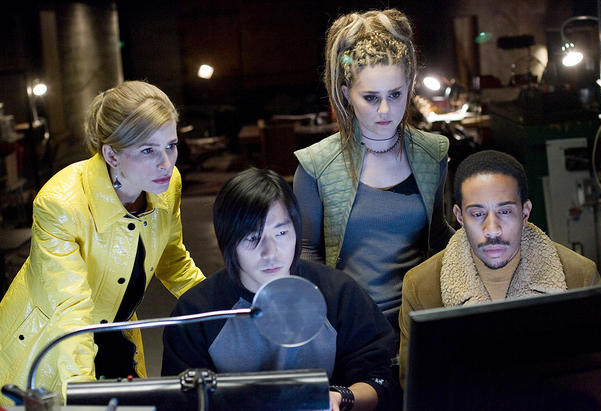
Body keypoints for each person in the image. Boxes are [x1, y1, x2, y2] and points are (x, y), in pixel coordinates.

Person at [0, 80, 205, 403]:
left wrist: (226, 310)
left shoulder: (166, 186)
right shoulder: (60, 204)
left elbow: (174, 260)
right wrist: (84, 393)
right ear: (111, 154)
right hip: (52, 346)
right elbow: (70, 309)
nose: (167, 162)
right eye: (148, 150)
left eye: (171, 145)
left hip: (115, 336)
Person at [162, 168, 397, 411]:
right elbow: (180, 401)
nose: (271, 252)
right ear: (227, 240)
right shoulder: (196, 313)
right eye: (252, 238)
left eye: (281, 232)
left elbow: (381, 380)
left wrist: (339, 397)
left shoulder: (338, 293)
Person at [293, 8, 453, 330]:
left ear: (410, 87)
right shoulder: (315, 166)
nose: (385, 110)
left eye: (395, 94)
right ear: (346, 94)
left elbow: (438, 236)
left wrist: (491, 235)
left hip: (421, 320)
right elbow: (307, 255)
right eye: (370, 97)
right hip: (351, 326)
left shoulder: (432, 154)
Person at [398, 150, 601, 386]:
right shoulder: (421, 287)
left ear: (525, 212)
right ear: (459, 217)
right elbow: (415, 385)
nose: (492, 230)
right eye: (477, 214)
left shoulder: (579, 276)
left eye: (504, 212)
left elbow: (598, 381)